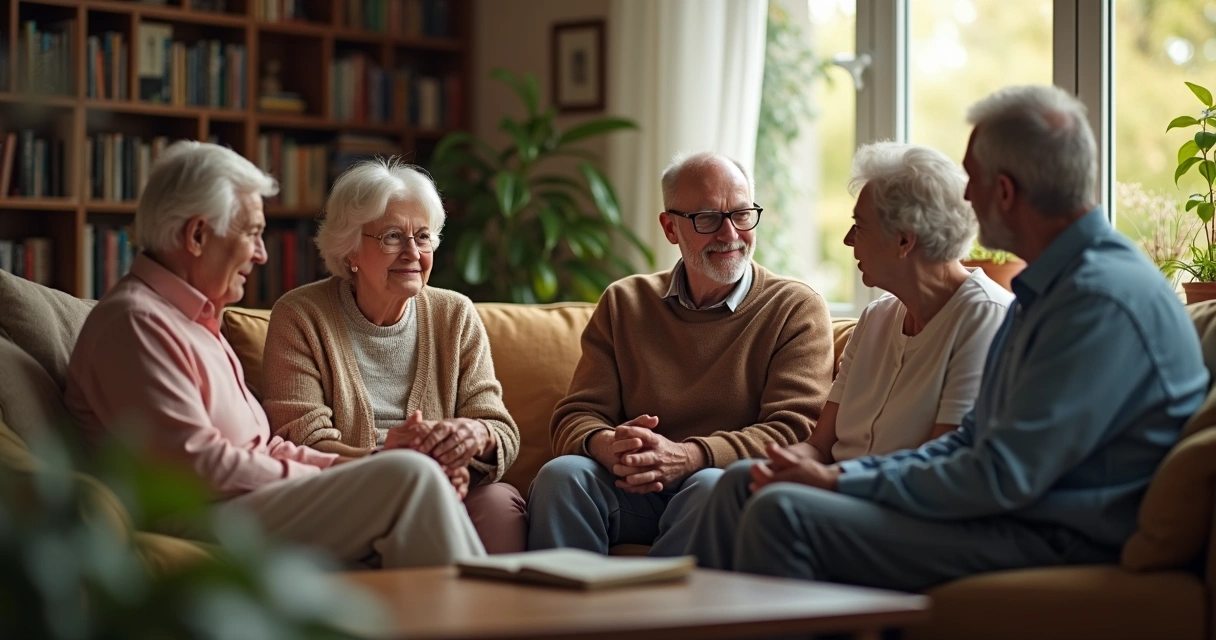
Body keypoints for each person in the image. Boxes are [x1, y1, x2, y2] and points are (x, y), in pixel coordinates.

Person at [686, 84, 1210, 592]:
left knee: (784, 513)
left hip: (1056, 534)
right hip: (1016, 512)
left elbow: (1001, 475)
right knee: (743, 486)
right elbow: (971, 441)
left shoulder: (1096, 299)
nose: (965, 196)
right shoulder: (1052, 290)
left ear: (1004, 192)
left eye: (973, 179)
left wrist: (842, 481)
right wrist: (837, 476)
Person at [65, 141, 485, 568]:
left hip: (244, 506)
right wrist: (341, 473)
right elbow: (197, 466)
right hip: (193, 522)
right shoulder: (137, 323)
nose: (263, 253)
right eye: (251, 234)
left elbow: (264, 448)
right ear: (196, 236)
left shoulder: (194, 321)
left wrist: (369, 463)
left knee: (409, 473)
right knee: (409, 477)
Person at [526, 151, 835, 556]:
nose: (730, 234)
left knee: (711, 484)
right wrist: (608, 444)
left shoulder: (794, 307)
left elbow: (795, 430)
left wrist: (690, 456)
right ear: (670, 227)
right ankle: (566, 618)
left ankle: (666, 619)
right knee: (562, 476)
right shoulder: (625, 302)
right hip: (633, 489)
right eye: (707, 218)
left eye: (742, 214)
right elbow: (576, 414)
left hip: (719, 485)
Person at [261, 158, 526, 554]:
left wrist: (474, 437)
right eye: (391, 237)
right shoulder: (301, 315)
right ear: (350, 247)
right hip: (348, 490)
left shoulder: (455, 314)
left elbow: (499, 427)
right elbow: (305, 441)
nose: (412, 253)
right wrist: (392, 459)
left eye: (422, 237)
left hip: (450, 485)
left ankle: (493, 616)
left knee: (499, 505)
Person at [808, 141, 1014, 464]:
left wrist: (828, 482)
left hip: (890, 505)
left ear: (904, 240)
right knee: (728, 481)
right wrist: (778, 466)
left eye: (859, 226)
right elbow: (818, 447)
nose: (848, 240)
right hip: (830, 492)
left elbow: (941, 463)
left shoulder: (987, 316)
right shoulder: (876, 316)